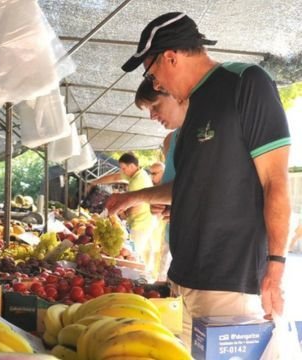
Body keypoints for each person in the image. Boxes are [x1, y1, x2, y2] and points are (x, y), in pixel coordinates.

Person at [110, 12, 291, 348]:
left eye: (153, 74)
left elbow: (276, 183)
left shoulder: (246, 83)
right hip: (184, 276)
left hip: (228, 280)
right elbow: (190, 186)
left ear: (171, 57)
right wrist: (137, 197)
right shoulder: (192, 110)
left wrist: (275, 268)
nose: (157, 84)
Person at [135, 78, 188, 281]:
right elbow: (175, 189)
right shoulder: (169, 141)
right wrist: (161, 204)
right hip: (172, 237)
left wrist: (133, 198)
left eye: (155, 106)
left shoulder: (207, 137)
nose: (152, 116)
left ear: (176, 94)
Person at [89, 153, 156, 273]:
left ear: (131, 166)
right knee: (142, 252)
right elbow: (115, 177)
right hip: (147, 219)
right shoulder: (139, 174)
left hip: (141, 222)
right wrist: (95, 182)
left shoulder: (137, 181)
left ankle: (138, 277)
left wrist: (123, 215)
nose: (122, 171)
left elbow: (137, 207)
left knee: (134, 255)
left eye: (124, 168)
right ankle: (145, 271)